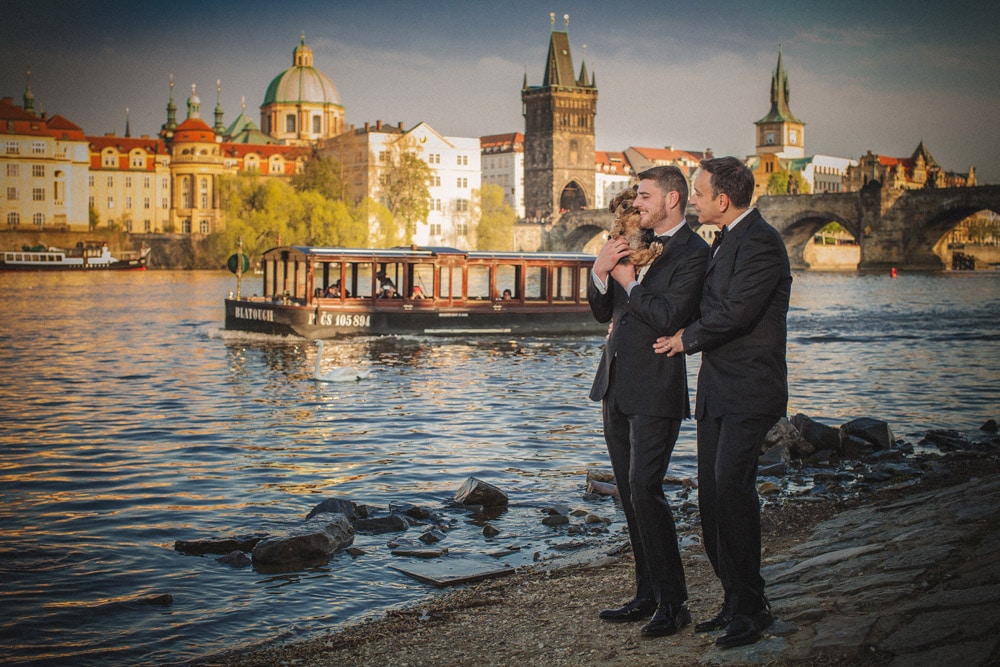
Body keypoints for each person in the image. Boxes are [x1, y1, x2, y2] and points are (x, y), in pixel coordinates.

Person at [655, 156, 792, 648]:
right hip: (717, 389)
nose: (693, 199)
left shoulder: (761, 243)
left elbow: (735, 312)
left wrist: (683, 340)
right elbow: (706, 304)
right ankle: (734, 599)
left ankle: (753, 607)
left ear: (723, 200)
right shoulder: (725, 241)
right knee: (712, 497)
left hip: (750, 390)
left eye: (698, 191)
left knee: (732, 490)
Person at [588, 165, 709, 638]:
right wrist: (600, 272)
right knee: (628, 493)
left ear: (672, 199)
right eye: (637, 195)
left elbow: (668, 316)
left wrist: (627, 280)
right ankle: (646, 594)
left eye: (644, 195)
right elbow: (603, 313)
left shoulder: (694, 254)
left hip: (657, 385)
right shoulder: (632, 239)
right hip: (615, 383)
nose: (636, 203)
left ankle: (674, 602)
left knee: (645, 489)